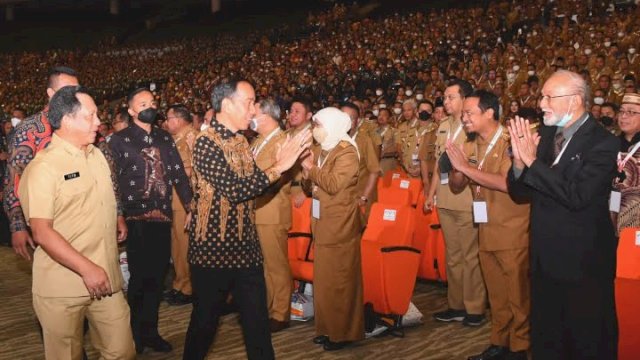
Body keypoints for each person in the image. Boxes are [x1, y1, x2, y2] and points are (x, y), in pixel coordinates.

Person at [183, 80, 310, 360]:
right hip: (213, 249)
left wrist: (285, 169)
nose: (253, 109)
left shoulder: (241, 141)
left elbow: (255, 185)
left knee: (257, 326)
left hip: (246, 248)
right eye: (249, 102)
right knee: (204, 323)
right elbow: (237, 190)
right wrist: (279, 167)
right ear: (226, 105)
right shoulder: (206, 143)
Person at [507, 70, 619, 359]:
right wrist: (520, 164)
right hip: (544, 261)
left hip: (583, 265)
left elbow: (577, 195)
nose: (541, 103)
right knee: (547, 339)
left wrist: (532, 161)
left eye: (548, 97)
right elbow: (520, 194)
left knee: (585, 341)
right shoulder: (544, 136)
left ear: (574, 101)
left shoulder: (603, 142)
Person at [19, 85, 135, 360]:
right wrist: (86, 268)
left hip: (106, 280)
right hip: (63, 286)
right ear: (68, 120)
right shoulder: (43, 168)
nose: (99, 122)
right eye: (91, 115)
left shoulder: (96, 156)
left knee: (122, 351)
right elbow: (42, 232)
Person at [107, 88, 193, 354]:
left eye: (152, 102)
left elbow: (179, 174)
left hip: (161, 217)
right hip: (134, 219)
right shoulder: (118, 141)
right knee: (139, 278)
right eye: (142, 103)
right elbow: (111, 183)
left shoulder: (165, 138)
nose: (149, 106)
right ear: (131, 111)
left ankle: (151, 331)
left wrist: (191, 205)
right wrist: (118, 215)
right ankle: (133, 335)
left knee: (157, 277)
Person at [446, 90, 530, 360]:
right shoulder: (471, 144)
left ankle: (521, 346)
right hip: (485, 228)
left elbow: (508, 184)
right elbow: (458, 187)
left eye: (469, 113)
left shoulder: (510, 141)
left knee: (517, 294)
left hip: (512, 229)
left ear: (490, 113)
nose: (464, 118)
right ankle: (500, 342)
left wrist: (467, 169)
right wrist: (456, 166)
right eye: (463, 114)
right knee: (496, 294)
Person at [301, 106, 364, 351]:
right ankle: (326, 329)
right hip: (322, 221)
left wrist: (310, 168)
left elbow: (335, 184)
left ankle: (342, 333)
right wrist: (308, 171)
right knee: (325, 280)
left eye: (318, 125)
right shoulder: (323, 150)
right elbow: (310, 187)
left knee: (340, 280)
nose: (315, 130)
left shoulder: (346, 151)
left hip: (340, 224)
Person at [426, 80, 487, 325]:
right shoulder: (443, 125)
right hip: (445, 197)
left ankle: (475, 308)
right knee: (452, 256)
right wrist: (430, 194)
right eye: (444, 97)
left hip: (467, 198)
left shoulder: (472, 126)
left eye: (451, 97)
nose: (445, 101)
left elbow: (478, 164)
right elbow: (437, 165)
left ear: (465, 99)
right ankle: (456, 304)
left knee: (470, 256)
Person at [251, 98, 293, 332]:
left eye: (254, 112)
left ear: (267, 116)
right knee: (263, 264)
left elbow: (280, 176)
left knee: (276, 264)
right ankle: (266, 307)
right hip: (257, 210)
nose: (250, 116)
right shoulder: (257, 140)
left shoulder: (283, 141)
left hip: (272, 209)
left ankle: (280, 313)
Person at [164, 104, 199, 306]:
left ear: (178, 119)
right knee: (176, 245)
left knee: (184, 245)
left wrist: (171, 171)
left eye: (169, 118)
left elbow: (194, 167)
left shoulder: (190, 137)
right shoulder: (176, 139)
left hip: (184, 199)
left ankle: (188, 287)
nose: (167, 123)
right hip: (174, 199)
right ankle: (179, 283)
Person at [342, 102, 380, 218]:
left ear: (357, 121)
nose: (346, 122)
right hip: (341, 199)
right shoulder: (333, 140)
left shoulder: (365, 140)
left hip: (360, 196)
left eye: (350, 118)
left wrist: (364, 197)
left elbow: (374, 171)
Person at [612, 93, 640, 234]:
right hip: (614, 202)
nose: (623, 116)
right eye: (621, 111)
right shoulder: (611, 143)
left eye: (631, 112)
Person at [376, 108, 398, 174]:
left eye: (384, 115)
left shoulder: (394, 131)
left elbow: (398, 149)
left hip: (388, 161)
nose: (381, 117)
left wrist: (384, 153)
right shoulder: (374, 131)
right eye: (379, 115)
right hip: (375, 162)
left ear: (389, 118)